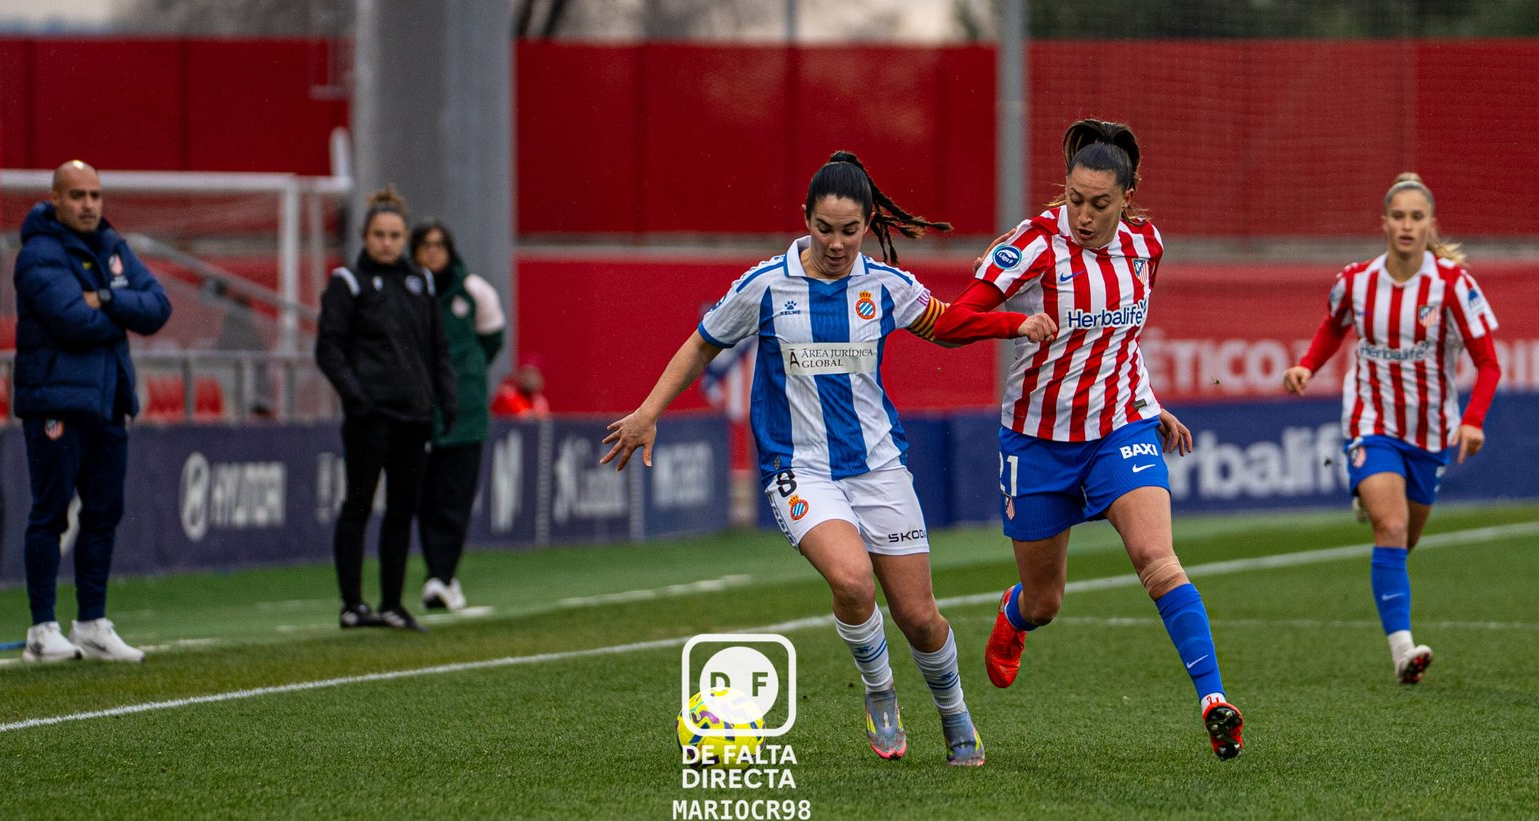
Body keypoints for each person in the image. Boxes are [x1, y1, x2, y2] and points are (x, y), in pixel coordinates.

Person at [601, 151, 1054, 767]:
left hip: (878, 466)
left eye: (849, 230)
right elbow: (704, 340)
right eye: (824, 228)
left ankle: (955, 713)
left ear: (868, 224)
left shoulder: (886, 286)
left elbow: (944, 324)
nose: (836, 243)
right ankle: (880, 692)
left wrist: (1014, 326)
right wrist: (649, 410)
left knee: (920, 618)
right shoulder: (766, 285)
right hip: (799, 468)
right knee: (850, 579)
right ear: (805, 220)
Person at [955, 120, 1244, 760]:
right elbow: (956, 320)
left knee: (1157, 560)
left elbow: (1123, 342)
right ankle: (1014, 615)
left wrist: (1147, 403)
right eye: (1074, 198)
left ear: (1128, 197)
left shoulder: (1148, 246)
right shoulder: (1032, 243)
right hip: (1036, 442)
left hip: (1119, 430)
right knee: (1046, 599)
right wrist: (1013, 322)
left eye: (1099, 203)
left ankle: (1214, 701)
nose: (1082, 215)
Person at [1282, 173, 1500, 685]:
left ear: (1430, 225)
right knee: (1392, 526)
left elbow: (1488, 364)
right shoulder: (1356, 280)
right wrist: (1307, 367)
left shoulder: (1452, 285)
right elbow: (1334, 326)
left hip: (1430, 432)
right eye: (1398, 216)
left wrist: (1472, 421)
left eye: (1416, 216)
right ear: (1384, 223)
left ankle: (1373, 499)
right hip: (1371, 422)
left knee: (1406, 539)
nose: (1406, 225)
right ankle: (1403, 651)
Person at [12, 159, 172, 663]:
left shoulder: (111, 246)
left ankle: (91, 623)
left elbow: (159, 307)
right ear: (55, 199)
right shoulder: (38, 254)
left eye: (95, 195)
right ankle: (41, 630)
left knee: (103, 514)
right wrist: (118, 310)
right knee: (50, 513)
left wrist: (103, 297)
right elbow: (73, 321)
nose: (88, 205)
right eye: (77, 195)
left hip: (108, 401)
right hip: (56, 401)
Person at [316, 187, 456, 633]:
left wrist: (445, 398)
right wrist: (356, 397)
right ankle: (352, 604)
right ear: (365, 235)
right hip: (369, 416)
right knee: (357, 504)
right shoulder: (348, 283)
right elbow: (329, 348)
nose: (387, 242)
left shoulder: (421, 282)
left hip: (413, 417)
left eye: (395, 234)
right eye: (378, 234)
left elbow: (437, 349)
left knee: (402, 510)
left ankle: (393, 603)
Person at [409, 220, 506, 612]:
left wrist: (463, 377)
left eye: (439, 245)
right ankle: (439, 575)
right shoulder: (404, 291)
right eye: (425, 245)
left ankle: (442, 577)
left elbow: (492, 339)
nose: (433, 252)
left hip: (464, 416)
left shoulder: (474, 290)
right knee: (424, 501)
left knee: (454, 500)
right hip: (416, 413)